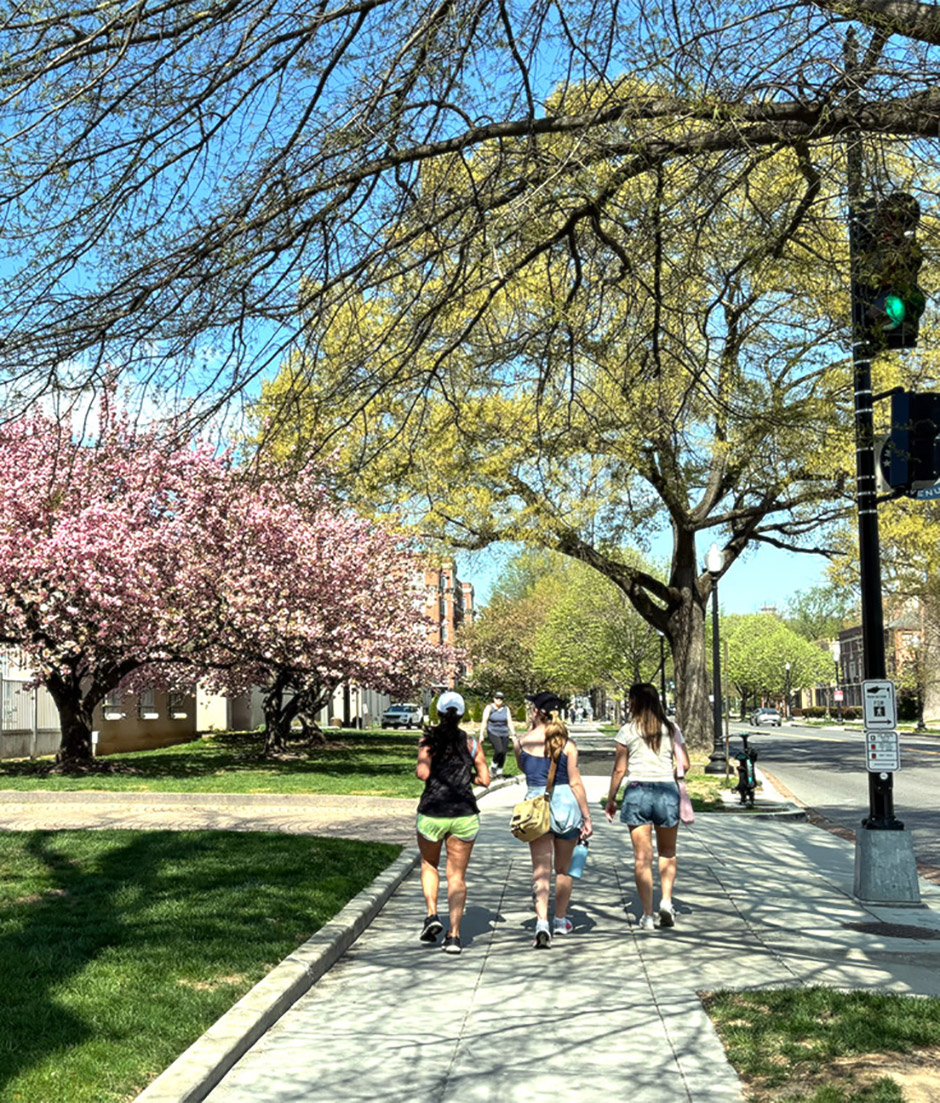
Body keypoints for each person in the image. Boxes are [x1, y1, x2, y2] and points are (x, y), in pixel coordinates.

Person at [604, 682, 690, 931]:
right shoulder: (671, 729)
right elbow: (685, 763)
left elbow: (620, 769)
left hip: (637, 791)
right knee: (668, 852)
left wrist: (611, 798)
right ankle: (665, 900)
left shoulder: (627, 730)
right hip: (666, 791)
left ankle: (648, 915)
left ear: (634, 702)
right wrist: (670, 773)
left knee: (642, 858)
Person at [513, 691, 593, 948]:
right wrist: (587, 816)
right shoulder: (568, 746)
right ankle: (560, 919)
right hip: (567, 807)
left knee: (541, 870)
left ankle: (541, 922)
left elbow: (525, 769)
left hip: (537, 808)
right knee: (564, 869)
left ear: (536, 712)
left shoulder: (523, 742)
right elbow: (576, 783)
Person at [415, 691, 490, 955]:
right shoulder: (471, 744)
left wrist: (437, 770)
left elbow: (422, 772)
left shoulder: (428, 741)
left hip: (433, 811)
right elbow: (485, 780)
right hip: (464, 813)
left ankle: (432, 915)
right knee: (457, 876)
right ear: (460, 715)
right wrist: (465, 775)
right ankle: (455, 936)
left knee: (429, 864)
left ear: (439, 713)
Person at [480, 691, 514, 778]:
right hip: (493, 731)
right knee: (499, 750)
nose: (499, 700)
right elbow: (484, 721)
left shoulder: (506, 709)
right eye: (497, 698)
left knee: (504, 752)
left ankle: (499, 772)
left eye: (501, 698)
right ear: (494, 698)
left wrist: (513, 734)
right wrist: (481, 734)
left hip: (504, 732)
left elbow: (509, 722)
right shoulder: (489, 708)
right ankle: (493, 767)